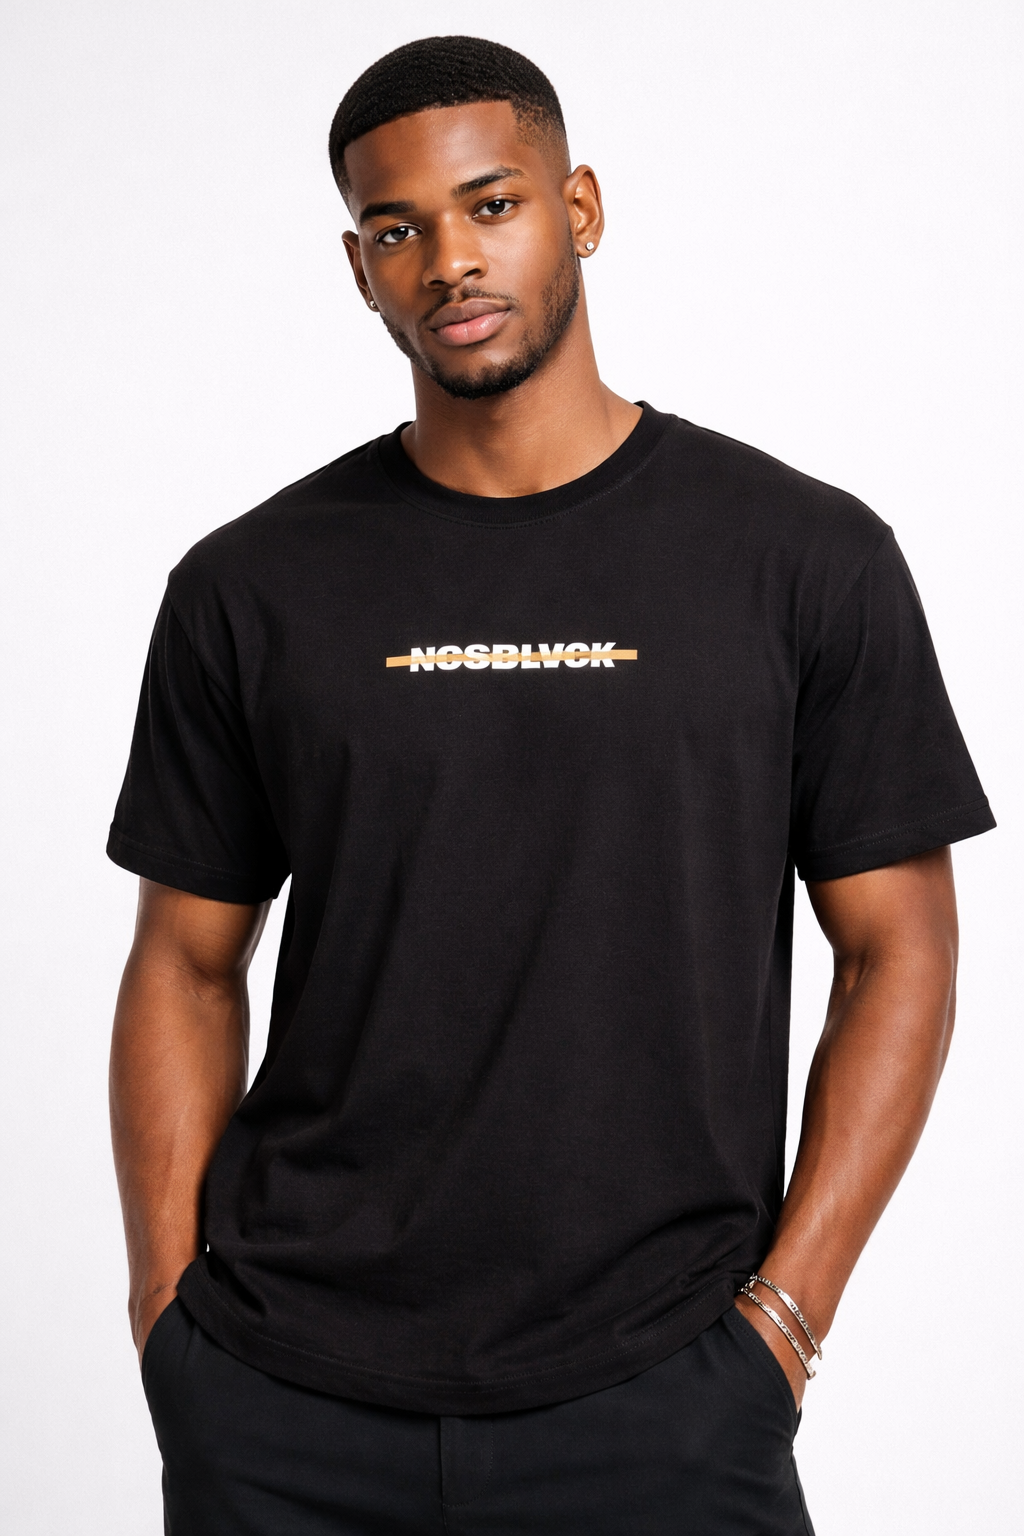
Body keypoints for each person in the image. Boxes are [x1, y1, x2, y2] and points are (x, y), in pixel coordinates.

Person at [107, 34, 995, 1536]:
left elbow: (899, 950)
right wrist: (167, 1319)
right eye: (398, 228)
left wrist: (783, 1324)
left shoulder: (802, 557)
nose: (450, 259)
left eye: (492, 204)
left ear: (578, 207)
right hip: (283, 1396)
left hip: (665, 1393)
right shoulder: (247, 587)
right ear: (359, 268)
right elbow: (185, 965)